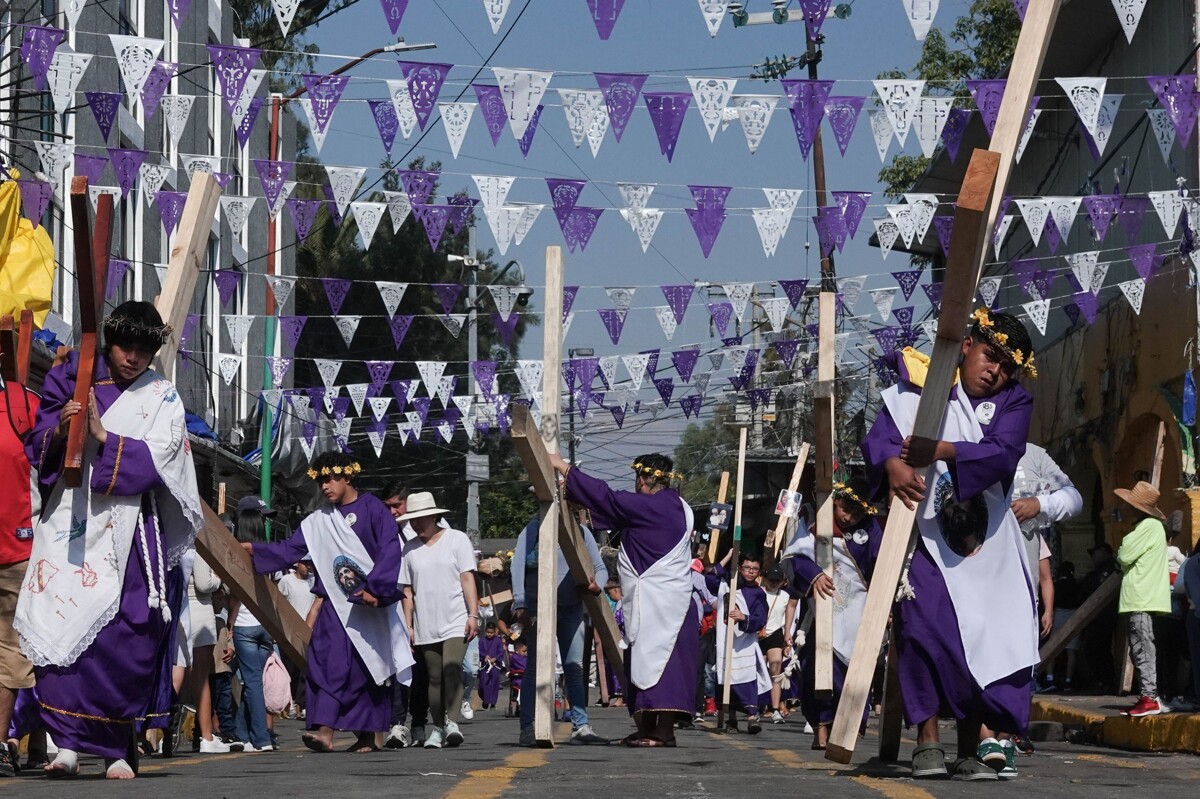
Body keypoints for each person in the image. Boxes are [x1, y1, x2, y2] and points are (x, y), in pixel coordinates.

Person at [15, 301, 202, 779]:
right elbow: (39, 440)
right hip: (72, 521)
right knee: (63, 622)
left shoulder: (162, 396)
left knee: (125, 633)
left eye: (143, 350)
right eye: (125, 347)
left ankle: (118, 747)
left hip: (133, 528)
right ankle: (66, 748)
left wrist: (104, 434)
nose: (133, 358)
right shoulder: (73, 374)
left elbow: (169, 459)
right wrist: (62, 427)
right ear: (110, 341)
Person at [861, 308, 1038, 781]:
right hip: (923, 539)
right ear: (966, 347)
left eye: (1004, 366)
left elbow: (1004, 452)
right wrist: (893, 467)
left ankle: (969, 746)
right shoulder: (915, 390)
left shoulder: (1014, 402)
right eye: (989, 356)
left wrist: (940, 450)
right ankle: (927, 741)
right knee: (922, 632)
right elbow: (880, 440)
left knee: (983, 638)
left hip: (988, 542)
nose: (994, 370)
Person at [246, 452, 411, 754]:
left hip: (368, 605)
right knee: (324, 663)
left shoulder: (374, 509)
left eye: (331, 478)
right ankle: (324, 731)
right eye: (321, 480)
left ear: (347, 476)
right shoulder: (318, 520)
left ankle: (366, 735)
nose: (325, 486)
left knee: (366, 669)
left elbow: (390, 551)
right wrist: (254, 551)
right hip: (334, 606)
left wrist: (376, 588)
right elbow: (290, 548)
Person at [549, 453, 698, 748]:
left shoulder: (656, 506)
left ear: (645, 479)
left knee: (664, 667)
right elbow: (614, 512)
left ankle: (663, 732)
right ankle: (647, 729)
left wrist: (566, 468)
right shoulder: (672, 505)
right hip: (655, 602)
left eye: (637, 477)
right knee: (643, 663)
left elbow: (610, 499)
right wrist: (577, 500)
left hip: (665, 604)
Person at [787, 478, 882, 749]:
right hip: (823, 610)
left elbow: (882, 563)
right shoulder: (817, 520)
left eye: (857, 513)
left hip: (858, 611)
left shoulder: (871, 528)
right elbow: (796, 556)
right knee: (816, 672)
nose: (849, 517)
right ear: (837, 501)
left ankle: (845, 729)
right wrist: (813, 575)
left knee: (853, 673)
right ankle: (821, 728)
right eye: (845, 510)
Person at [512, 513, 610, 746]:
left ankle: (581, 726)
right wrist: (520, 603)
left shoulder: (582, 533)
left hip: (572, 609)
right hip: (539, 607)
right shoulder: (534, 528)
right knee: (536, 668)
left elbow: (600, 568)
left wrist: (598, 586)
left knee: (574, 667)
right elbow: (517, 566)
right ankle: (528, 727)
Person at [398, 492, 479, 749]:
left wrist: (473, 614)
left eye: (420, 518)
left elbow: (467, 578)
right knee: (433, 677)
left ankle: (452, 722)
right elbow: (407, 592)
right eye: (412, 519)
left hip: (455, 618)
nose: (415, 523)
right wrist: (408, 626)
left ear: (434, 515)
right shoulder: (409, 549)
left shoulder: (457, 540)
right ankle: (438, 728)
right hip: (425, 623)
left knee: (452, 668)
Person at [0, 348, 38, 778]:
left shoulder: (22, 403)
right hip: (17, 549)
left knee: (12, 653)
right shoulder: (19, 401)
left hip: (17, 551)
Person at [1114, 480, 1171, 717]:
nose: (1126, 509)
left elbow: (1124, 555)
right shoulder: (1150, 526)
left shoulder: (1148, 526)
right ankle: (1148, 695)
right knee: (1140, 647)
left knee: (1142, 648)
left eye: (1129, 505)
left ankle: (1149, 697)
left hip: (1141, 597)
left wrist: (1122, 546)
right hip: (1141, 598)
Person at [380, 481, 428, 748]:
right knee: (398, 668)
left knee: (424, 671)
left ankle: (422, 722)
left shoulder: (426, 534)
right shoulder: (385, 532)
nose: (393, 512)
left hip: (427, 609)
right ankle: (397, 723)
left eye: (397, 505)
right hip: (396, 608)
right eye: (388, 507)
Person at [229, 504, 277, 752]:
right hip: (266, 626)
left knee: (253, 682)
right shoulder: (268, 552)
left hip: (245, 625)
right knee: (253, 683)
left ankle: (261, 739)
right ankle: (242, 735)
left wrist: (229, 626)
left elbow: (234, 597)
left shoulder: (236, 554)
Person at [709, 553, 770, 734]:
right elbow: (710, 578)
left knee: (746, 679)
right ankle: (731, 719)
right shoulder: (726, 587)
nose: (750, 572)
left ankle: (752, 717)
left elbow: (761, 618)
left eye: (754, 569)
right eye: (747, 568)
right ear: (740, 568)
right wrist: (729, 556)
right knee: (727, 680)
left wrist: (743, 617)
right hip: (725, 641)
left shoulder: (758, 593)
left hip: (745, 643)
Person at [757, 565, 800, 723]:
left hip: (775, 633)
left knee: (776, 668)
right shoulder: (758, 592)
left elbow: (790, 614)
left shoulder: (786, 595)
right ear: (765, 578)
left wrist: (787, 634)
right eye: (771, 579)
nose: (774, 583)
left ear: (783, 581)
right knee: (758, 670)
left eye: (777, 580)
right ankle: (757, 707)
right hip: (757, 633)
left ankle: (775, 708)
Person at [1044, 562, 1081, 693]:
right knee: (1071, 651)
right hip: (1074, 614)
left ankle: (1050, 679)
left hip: (1059, 614)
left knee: (1052, 648)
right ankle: (1068, 681)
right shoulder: (1076, 584)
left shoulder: (1057, 585)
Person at [477, 622, 506, 709]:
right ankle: (485, 700)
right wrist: (484, 656)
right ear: (485, 631)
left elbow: (501, 651)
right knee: (483, 684)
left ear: (494, 632)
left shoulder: (497, 641)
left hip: (495, 665)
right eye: (488, 632)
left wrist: (495, 658)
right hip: (485, 665)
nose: (489, 634)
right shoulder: (481, 640)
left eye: (491, 633)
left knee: (494, 684)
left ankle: (493, 702)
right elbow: (478, 650)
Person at [508, 640, 527, 717]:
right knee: (518, 685)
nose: (525, 653)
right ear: (517, 651)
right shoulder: (514, 657)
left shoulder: (527, 658)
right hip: (517, 678)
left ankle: (521, 707)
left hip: (524, 678)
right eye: (524, 651)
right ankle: (515, 701)